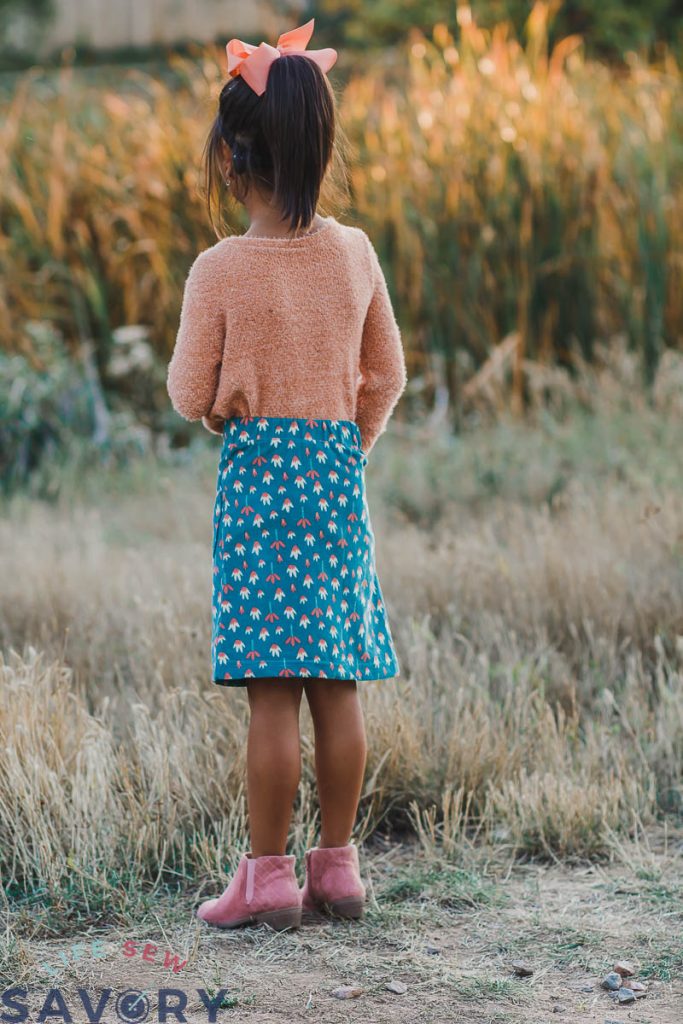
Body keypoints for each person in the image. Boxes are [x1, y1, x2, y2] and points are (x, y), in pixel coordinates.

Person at [166, 18, 407, 932]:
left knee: (271, 688)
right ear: (319, 146)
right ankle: (338, 871)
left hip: (260, 480)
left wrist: (229, 404)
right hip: (335, 477)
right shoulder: (354, 252)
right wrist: (346, 446)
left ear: (232, 159)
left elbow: (190, 389)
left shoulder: (219, 268)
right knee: (335, 681)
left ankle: (266, 879)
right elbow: (385, 373)